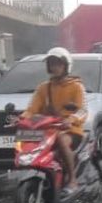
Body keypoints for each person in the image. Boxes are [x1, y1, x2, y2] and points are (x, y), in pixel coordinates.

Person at [21, 47, 86, 193]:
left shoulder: (77, 87)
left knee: (61, 140)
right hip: (48, 130)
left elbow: (83, 111)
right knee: (24, 138)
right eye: (51, 64)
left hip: (70, 130)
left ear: (66, 66)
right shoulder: (43, 88)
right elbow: (32, 109)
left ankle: (73, 179)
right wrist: (22, 119)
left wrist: (71, 119)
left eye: (58, 64)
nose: (54, 67)